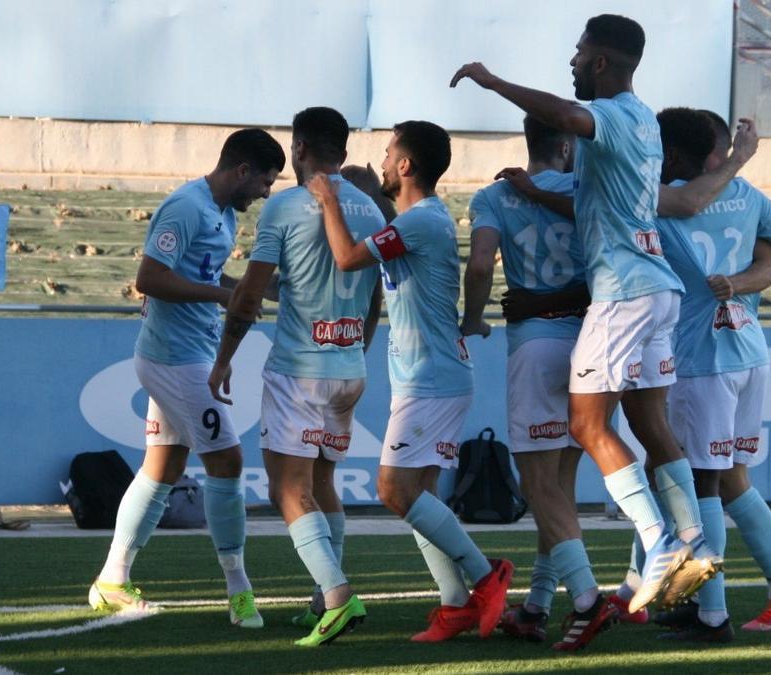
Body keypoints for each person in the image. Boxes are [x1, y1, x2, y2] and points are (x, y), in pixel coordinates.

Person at [450, 14, 760, 620]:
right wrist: (738, 160)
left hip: (621, 293)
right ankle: (692, 541)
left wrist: (490, 80)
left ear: (599, 62)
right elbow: (684, 200)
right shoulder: (643, 125)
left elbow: (567, 117)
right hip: (659, 293)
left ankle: (662, 542)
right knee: (649, 424)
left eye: (577, 52)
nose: (570, 61)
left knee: (587, 424)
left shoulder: (610, 116)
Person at [305, 120, 514, 643]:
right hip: (430, 374)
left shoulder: (421, 221)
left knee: (393, 489)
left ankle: (488, 578)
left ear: (405, 164)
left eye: (388, 150)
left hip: (432, 378)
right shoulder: (416, 221)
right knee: (422, 496)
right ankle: (456, 604)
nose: (381, 159)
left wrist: (329, 199)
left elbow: (348, 256)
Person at [88, 128, 284, 629]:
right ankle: (239, 592)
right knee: (227, 461)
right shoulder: (186, 207)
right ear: (241, 171)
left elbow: (202, 271)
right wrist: (225, 299)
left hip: (186, 352)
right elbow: (149, 278)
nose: (266, 192)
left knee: (163, 467)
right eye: (264, 181)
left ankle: (111, 579)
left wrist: (241, 287)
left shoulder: (220, 214)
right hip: (174, 359)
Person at [208, 108, 385, 646]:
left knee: (288, 488)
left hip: (298, 371)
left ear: (300, 147)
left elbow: (249, 294)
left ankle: (335, 595)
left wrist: (224, 358)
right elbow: (375, 297)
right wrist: (356, 350)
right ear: (345, 153)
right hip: (349, 368)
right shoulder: (375, 213)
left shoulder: (285, 206)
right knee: (324, 483)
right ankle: (318, 601)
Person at [650, 108, 771, 642]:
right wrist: (755, 249)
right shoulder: (745, 195)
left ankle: (712, 614)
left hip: (702, 360)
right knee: (733, 481)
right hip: (748, 350)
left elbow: (685, 203)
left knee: (700, 483)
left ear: (670, 154)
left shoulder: (662, 199)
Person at [460, 115, 616, 650]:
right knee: (561, 489)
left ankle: (588, 598)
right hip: (593, 342)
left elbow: (481, 264)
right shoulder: (589, 187)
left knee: (538, 486)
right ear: (568, 147)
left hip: (535, 343)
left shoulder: (494, 195)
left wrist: (472, 318)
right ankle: (537, 606)